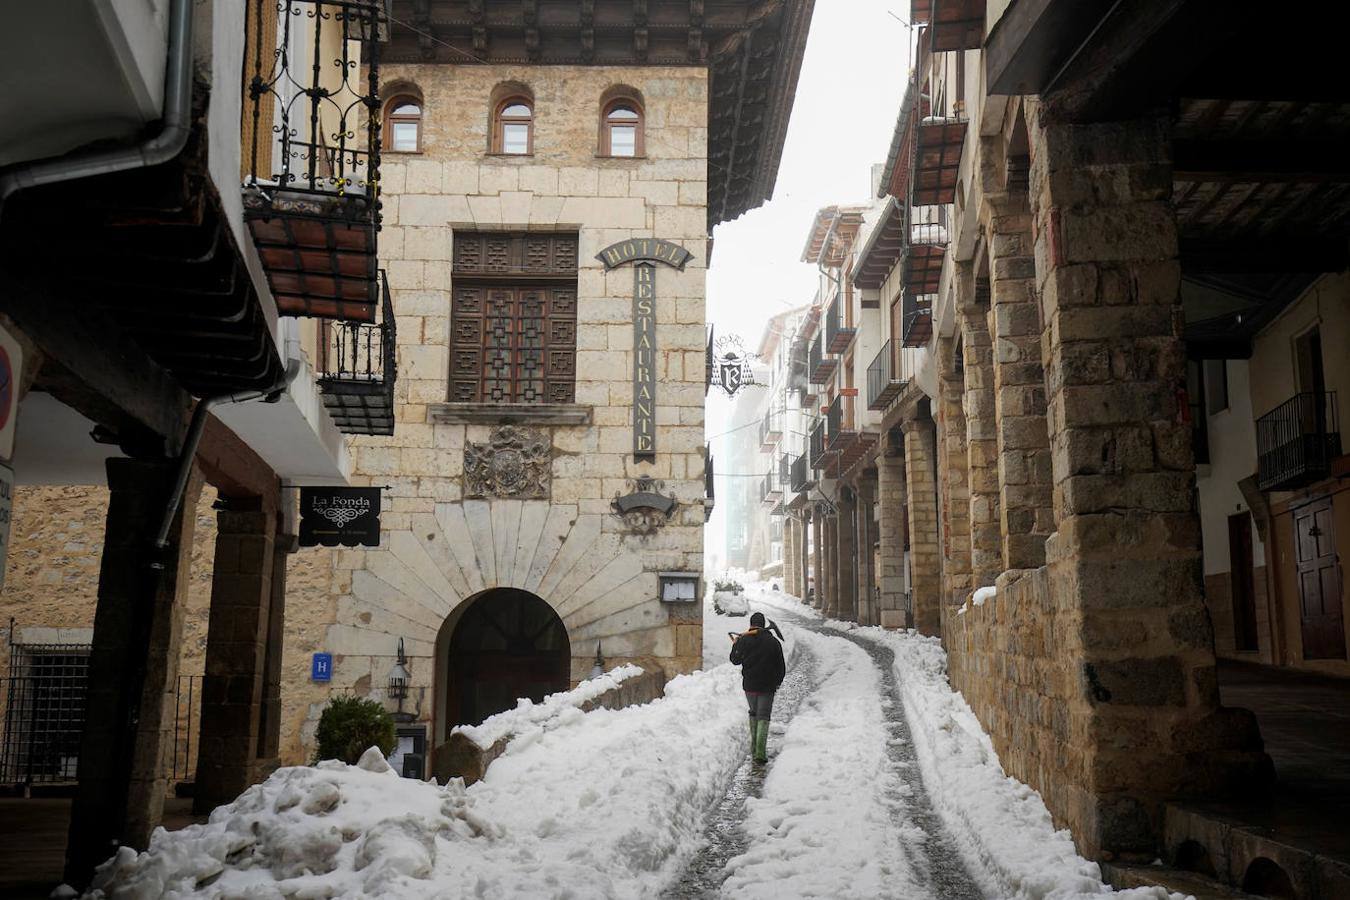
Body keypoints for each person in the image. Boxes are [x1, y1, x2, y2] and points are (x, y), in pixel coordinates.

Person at [729, 612, 786, 764]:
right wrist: (777, 682)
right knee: (764, 716)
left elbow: (734, 660)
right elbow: (781, 666)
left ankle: (754, 748)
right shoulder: (773, 642)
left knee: (754, 713)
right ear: (763, 624)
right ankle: (760, 753)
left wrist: (735, 645)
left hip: (750, 686)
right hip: (767, 686)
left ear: (751, 624)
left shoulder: (744, 640)